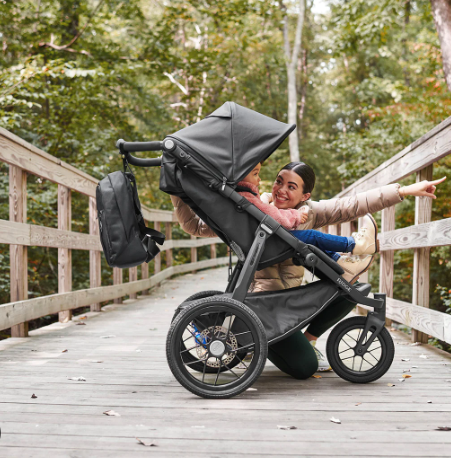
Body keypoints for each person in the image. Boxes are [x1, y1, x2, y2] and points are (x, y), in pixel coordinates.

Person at [170, 162, 446, 375]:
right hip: (259, 307)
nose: (281, 190)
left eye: (292, 187)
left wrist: (405, 191)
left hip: (290, 305)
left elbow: (351, 205)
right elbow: (195, 226)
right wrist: (177, 194)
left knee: (355, 289)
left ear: (305, 195)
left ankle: (308, 338)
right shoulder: (252, 210)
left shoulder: (308, 214)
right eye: (279, 181)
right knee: (305, 368)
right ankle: (257, 345)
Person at [236, 162, 377, 284]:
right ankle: (355, 244)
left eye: (291, 187)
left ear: (305, 196)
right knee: (312, 236)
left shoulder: (243, 196)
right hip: (267, 244)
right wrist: (296, 215)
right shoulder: (249, 198)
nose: (259, 179)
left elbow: (347, 206)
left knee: (310, 244)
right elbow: (274, 217)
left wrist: (397, 192)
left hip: (266, 243)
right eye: (255, 174)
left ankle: (343, 265)